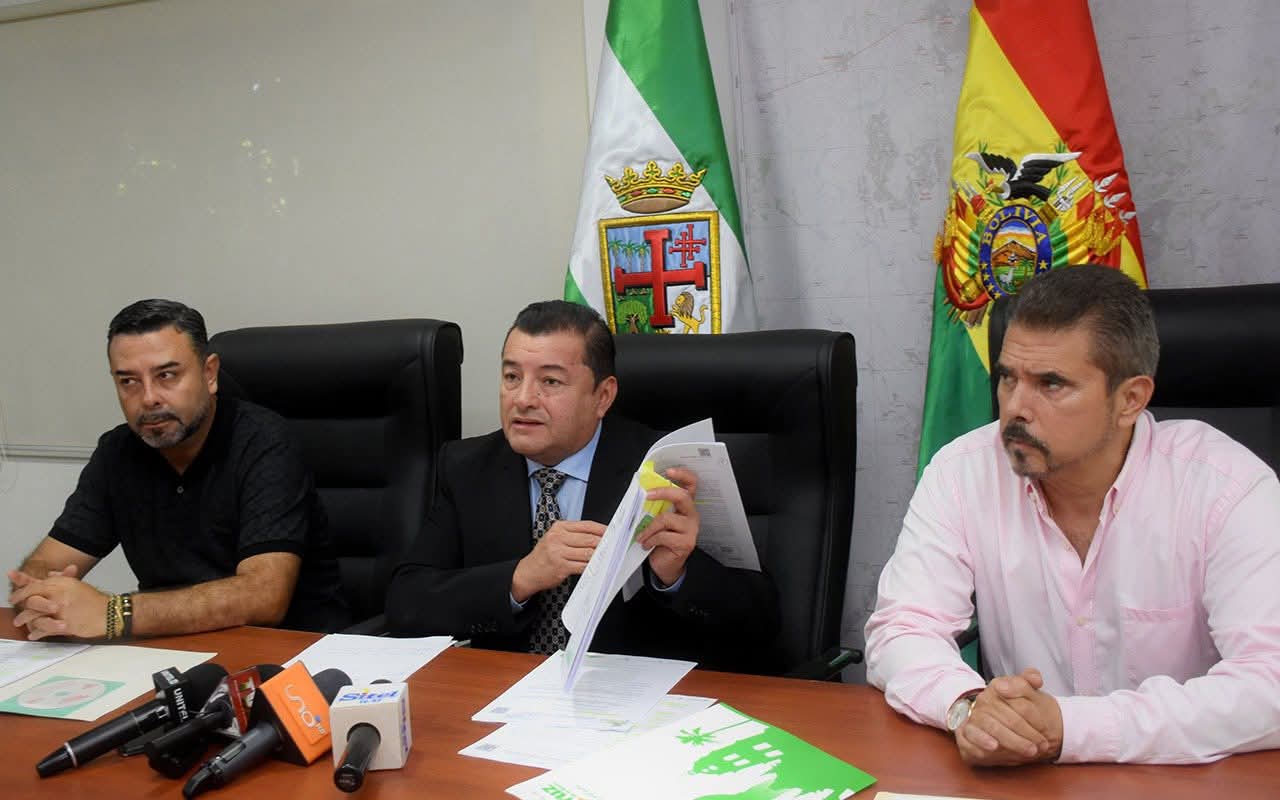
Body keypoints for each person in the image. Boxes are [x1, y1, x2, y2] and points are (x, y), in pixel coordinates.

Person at [864, 265, 1280, 765]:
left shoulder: (1226, 487)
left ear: (1131, 399)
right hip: (1020, 781)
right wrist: (968, 708)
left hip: (1177, 779)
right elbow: (902, 628)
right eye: (1008, 378)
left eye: (1051, 384)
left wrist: (1071, 727)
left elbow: (1270, 681)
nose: (1015, 407)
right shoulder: (962, 472)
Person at [386, 300, 779, 672]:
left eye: (550, 381)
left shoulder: (665, 468)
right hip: (508, 697)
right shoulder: (468, 467)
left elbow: (762, 621)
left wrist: (676, 575)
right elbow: (407, 604)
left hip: (634, 704)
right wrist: (519, 578)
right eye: (511, 377)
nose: (523, 399)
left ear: (603, 396)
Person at [8, 299, 349, 639]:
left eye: (166, 375)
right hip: (170, 652)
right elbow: (45, 563)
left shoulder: (265, 442)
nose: (149, 398)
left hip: (292, 655)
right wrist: (40, 597)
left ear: (209, 373)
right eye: (129, 381)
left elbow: (263, 596)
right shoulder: (117, 452)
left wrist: (115, 613)